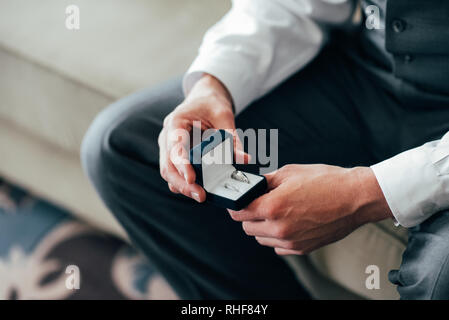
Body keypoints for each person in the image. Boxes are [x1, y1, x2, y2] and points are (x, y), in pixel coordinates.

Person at [81, 0, 449, 299]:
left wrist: (365, 193)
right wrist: (213, 87)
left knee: (439, 279)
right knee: (128, 146)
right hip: (365, 75)